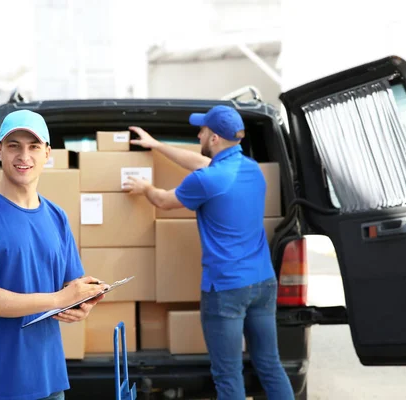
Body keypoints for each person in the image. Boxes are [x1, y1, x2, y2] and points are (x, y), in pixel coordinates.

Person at [123, 105, 294, 400]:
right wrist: (156, 145)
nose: (198, 134)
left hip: (226, 288)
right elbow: (201, 163)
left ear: (214, 138)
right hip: (263, 282)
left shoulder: (207, 181)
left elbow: (163, 201)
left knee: (228, 375)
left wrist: (145, 187)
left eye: (202, 130)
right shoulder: (251, 169)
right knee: (269, 364)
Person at [0, 109, 109, 400]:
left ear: (48, 153)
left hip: (48, 379)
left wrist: (83, 301)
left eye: (34, 146)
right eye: (14, 146)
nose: (24, 156)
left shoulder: (57, 216)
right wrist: (63, 298)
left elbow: (69, 285)